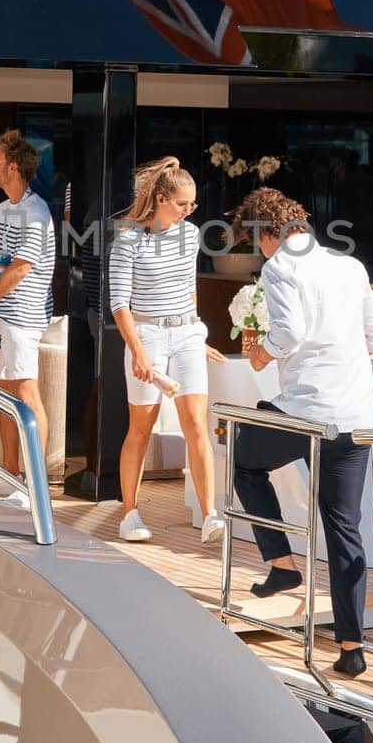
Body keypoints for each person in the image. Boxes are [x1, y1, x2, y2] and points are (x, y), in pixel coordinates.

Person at [231, 187, 373, 678]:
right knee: (343, 526)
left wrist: (261, 353)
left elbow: (291, 333)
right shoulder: (349, 265)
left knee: (244, 461)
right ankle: (351, 647)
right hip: (355, 415)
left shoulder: (282, 267)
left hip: (306, 411)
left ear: (268, 234)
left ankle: (282, 565)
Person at [109, 157, 228, 545]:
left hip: (186, 333)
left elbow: (188, 287)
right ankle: (129, 512)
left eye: (192, 205)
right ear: (160, 198)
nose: (189, 211)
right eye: (181, 204)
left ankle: (211, 514)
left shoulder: (190, 234)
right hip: (148, 335)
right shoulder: (127, 238)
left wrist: (197, 334)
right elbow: (119, 304)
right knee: (141, 427)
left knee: (196, 422)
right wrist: (138, 352)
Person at [0, 129, 56, 508]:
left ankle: (34, 485)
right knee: (5, 392)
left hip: (22, 316)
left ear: (16, 166)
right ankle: (8, 475)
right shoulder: (0, 210)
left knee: (26, 392)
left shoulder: (36, 212)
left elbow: (20, 269)